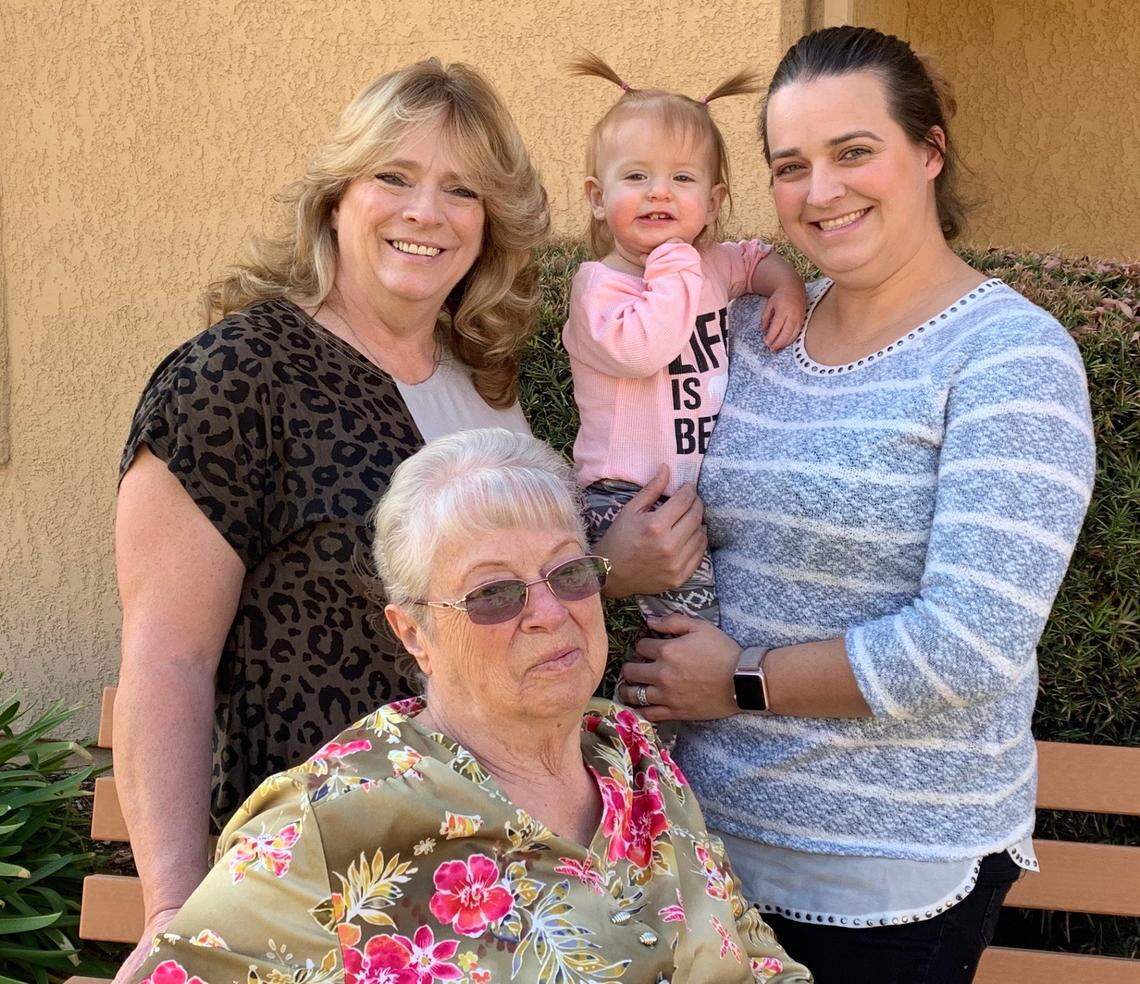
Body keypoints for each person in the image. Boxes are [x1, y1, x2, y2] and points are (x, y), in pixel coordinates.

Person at [113, 58, 711, 982]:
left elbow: (500, 597)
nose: (426, 213)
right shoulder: (237, 377)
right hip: (335, 892)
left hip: (511, 893)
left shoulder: (490, 387)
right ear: (336, 196)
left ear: (490, 223)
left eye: (461, 189)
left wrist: (606, 567)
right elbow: (167, 660)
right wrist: (171, 908)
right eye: (394, 176)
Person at [617, 26, 1096, 984]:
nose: (821, 191)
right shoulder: (750, 330)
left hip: (893, 877)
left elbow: (968, 642)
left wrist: (740, 679)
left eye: (853, 152)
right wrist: (616, 557)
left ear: (928, 151)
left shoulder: (1011, 357)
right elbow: (637, 454)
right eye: (790, 166)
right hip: (698, 852)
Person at [127, 428, 811, 984]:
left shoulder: (630, 751)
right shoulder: (335, 824)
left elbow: (753, 954)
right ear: (414, 633)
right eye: (494, 594)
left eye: (569, 572)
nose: (548, 612)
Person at [563, 54, 806, 633]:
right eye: (637, 176)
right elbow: (644, 349)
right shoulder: (597, 286)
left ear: (714, 202)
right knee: (690, 625)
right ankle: (661, 714)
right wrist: (673, 260)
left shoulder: (714, 263)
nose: (659, 194)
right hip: (623, 496)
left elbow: (754, 259)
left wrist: (787, 286)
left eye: (682, 178)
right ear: (598, 197)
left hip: (691, 485)